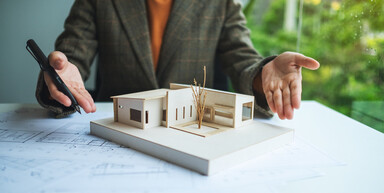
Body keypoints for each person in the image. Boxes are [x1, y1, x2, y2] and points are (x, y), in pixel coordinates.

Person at [36, 0, 320, 119]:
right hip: (117, 132)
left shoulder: (220, 3)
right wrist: (60, 78)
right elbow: (70, 60)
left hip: (191, 136)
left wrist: (266, 73)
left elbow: (243, 60)